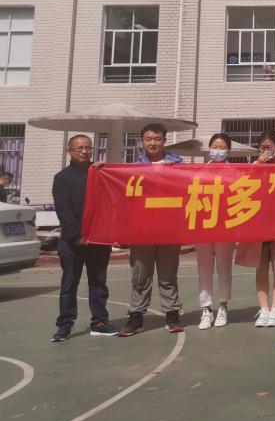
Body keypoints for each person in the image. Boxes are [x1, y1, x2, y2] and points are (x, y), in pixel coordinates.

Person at [119, 123, 185, 336]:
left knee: (168, 275)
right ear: (142, 141)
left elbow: (187, 190)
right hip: (143, 230)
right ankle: (136, 316)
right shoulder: (134, 167)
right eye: (148, 139)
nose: (153, 143)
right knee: (140, 275)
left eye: (157, 139)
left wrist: (174, 173)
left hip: (169, 229)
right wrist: (99, 168)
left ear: (164, 140)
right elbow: (125, 198)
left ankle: (172, 314)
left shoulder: (178, 165)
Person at [50, 134, 116, 342]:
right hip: (72, 242)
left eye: (88, 148)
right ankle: (64, 326)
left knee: (98, 283)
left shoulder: (100, 174)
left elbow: (111, 203)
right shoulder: (62, 178)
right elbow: (64, 210)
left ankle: (99, 322)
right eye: (79, 148)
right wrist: (76, 237)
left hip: (98, 239)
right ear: (69, 151)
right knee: (69, 285)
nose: (84, 151)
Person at [235, 130, 275, 328]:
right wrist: (258, 167)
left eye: (270, 147)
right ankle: (263, 309)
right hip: (258, 225)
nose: (266, 150)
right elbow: (242, 188)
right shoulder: (254, 167)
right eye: (262, 147)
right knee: (260, 268)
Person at [196, 133, 234, 330]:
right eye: (215, 147)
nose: (218, 150)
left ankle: (223, 307)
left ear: (228, 150)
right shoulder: (199, 171)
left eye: (222, 147)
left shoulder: (234, 172)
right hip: (202, 226)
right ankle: (206, 309)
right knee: (204, 267)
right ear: (209, 148)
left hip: (225, 227)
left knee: (224, 266)